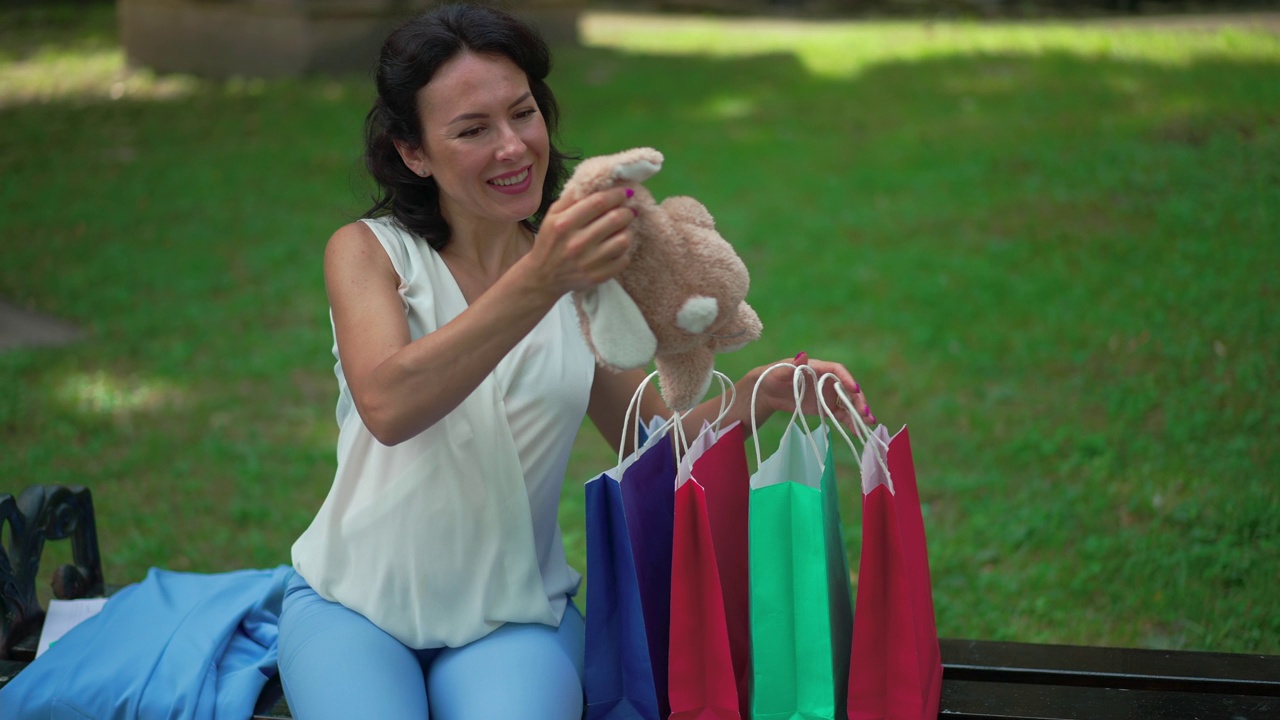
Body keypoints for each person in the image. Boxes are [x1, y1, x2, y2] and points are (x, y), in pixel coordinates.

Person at [278, 3, 874, 718]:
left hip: (514, 618)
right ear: (414, 152)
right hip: (353, 608)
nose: (512, 147)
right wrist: (542, 279)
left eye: (522, 113)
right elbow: (389, 405)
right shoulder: (370, 252)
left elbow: (651, 441)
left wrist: (758, 395)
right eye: (472, 130)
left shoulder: (584, 284)